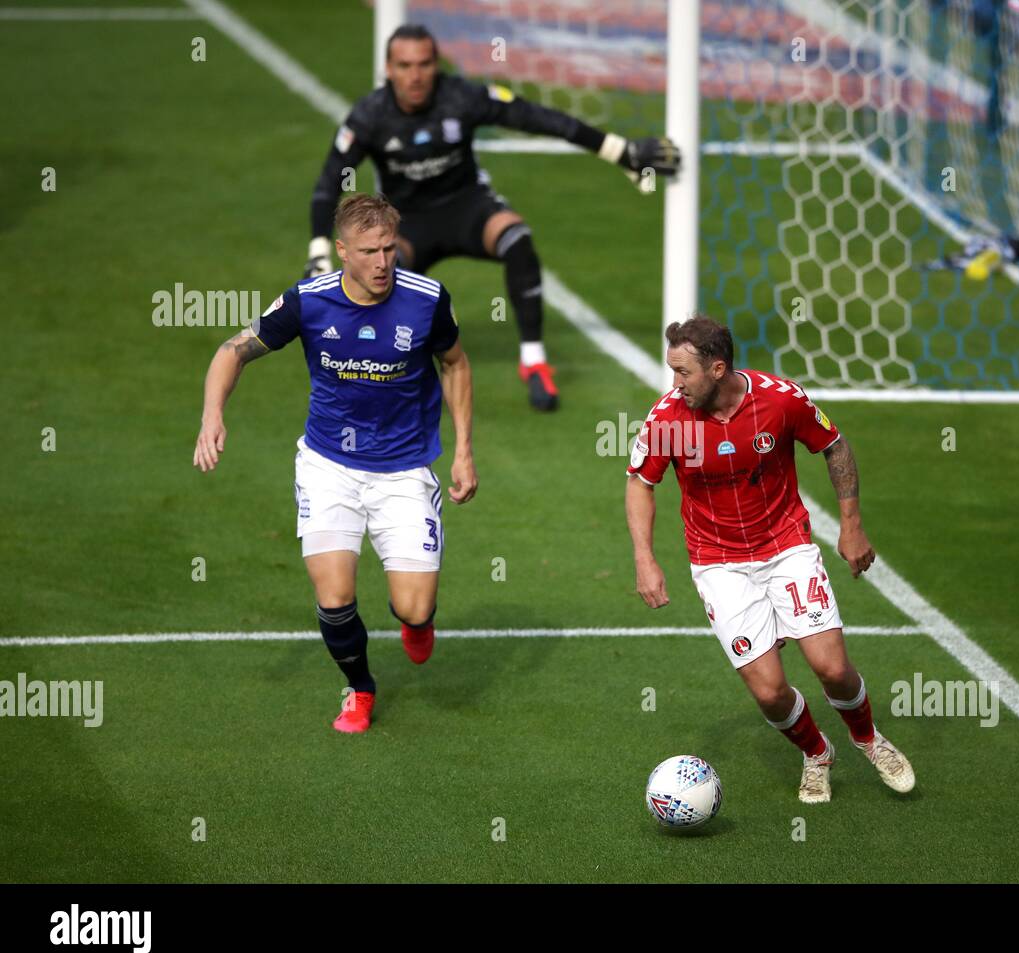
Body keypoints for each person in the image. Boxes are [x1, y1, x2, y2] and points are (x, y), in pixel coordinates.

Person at [194, 193, 476, 733]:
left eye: (390, 248)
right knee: (335, 594)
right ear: (342, 250)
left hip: (403, 468)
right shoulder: (308, 301)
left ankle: (418, 623)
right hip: (329, 465)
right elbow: (234, 349)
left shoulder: (427, 299)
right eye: (369, 251)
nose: (382, 263)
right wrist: (213, 415)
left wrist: (463, 450)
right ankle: (360, 688)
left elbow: (455, 363)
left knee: (414, 608)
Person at [307, 23, 680, 411]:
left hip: (468, 207)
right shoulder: (369, 116)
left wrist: (618, 150)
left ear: (436, 65)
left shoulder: (461, 97)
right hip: (407, 222)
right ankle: (386, 372)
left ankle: (534, 361)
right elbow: (329, 182)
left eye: (423, 64)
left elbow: (535, 116)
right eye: (404, 65)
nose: (414, 76)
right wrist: (318, 250)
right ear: (388, 68)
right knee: (381, 271)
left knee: (517, 240)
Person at [625, 314, 915, 802]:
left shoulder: (780, 400)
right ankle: (817, 752)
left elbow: (834, 446)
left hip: (786, 546)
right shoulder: (669, 420)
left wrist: (852, 526)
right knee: (769, 692)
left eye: (683, 372)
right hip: (718, 561)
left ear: (717, 369)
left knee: (833, 670)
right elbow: (640, 483)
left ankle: (868, 739)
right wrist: (644, 557)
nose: (675, 384)